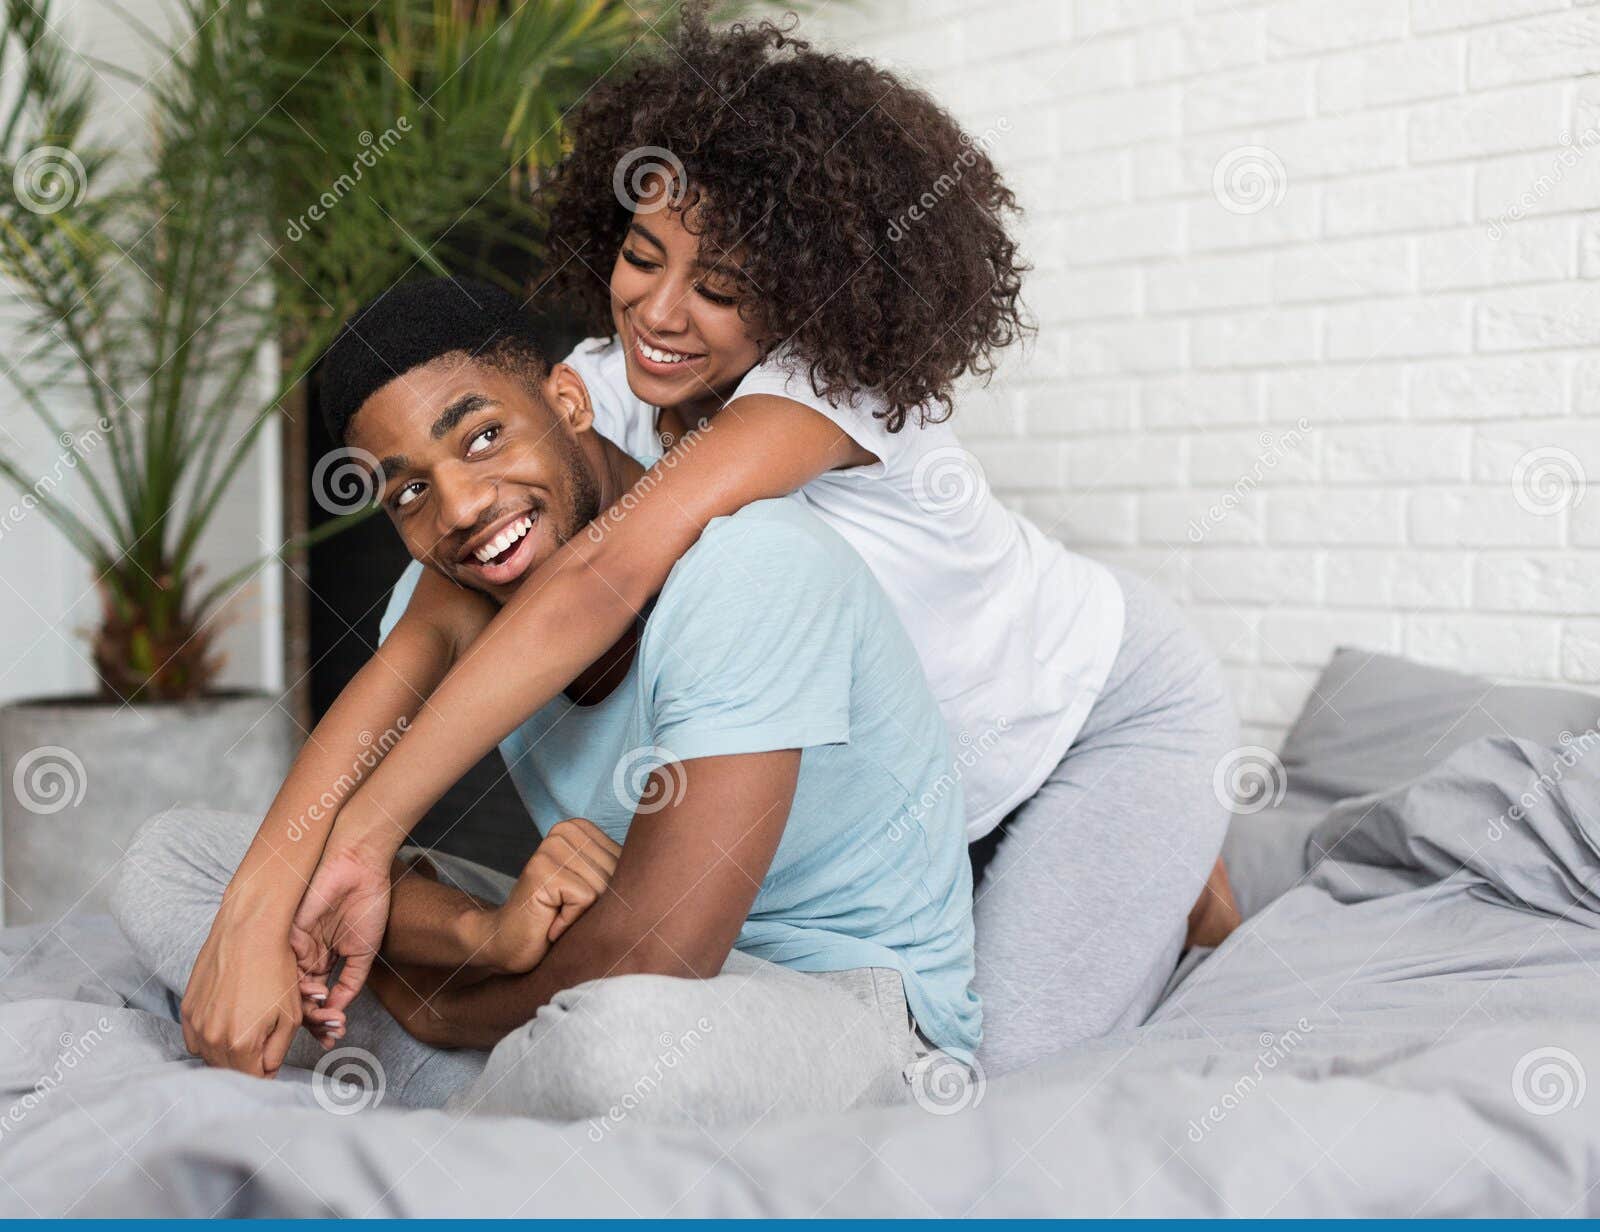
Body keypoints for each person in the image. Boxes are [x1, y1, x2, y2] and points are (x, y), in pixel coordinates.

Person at [180, 8, 1237, 1082]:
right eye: (642, 257)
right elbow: (439, 606)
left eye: (721, 289)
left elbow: (598, 575)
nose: (660, 313)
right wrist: (264, 891)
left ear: (807, 293)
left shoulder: (826, 393)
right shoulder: (603, 387)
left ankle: (1175, 870)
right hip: (903, 787)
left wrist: (366, 837)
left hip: (1093, 714)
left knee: (1010, 1083)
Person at [113, 279, 978, 1125]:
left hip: (837, 1011)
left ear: (568, 399)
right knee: (173, 859)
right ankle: (503, 1090)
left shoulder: (752, 566)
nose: (460, 506)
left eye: (483, 436)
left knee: (609, 1049)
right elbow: (337, 845)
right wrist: (476, 937)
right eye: (409, 491)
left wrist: (442, 1007)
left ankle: (464, 1086)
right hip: (577, 959)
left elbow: (657, 955)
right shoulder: (450, 591)